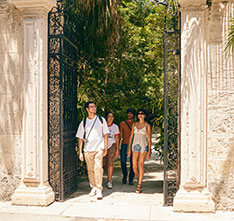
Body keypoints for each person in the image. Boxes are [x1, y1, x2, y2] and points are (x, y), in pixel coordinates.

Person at [76, 101, 109, 200]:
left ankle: (99, 189)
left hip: (99, 148)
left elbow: (106, 134)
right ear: (87, 109)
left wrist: (105, 148)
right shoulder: (84, 122)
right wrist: (80, 152)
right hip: (87, 149)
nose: (94, 108)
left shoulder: (101, 120)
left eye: (95, 106)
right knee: (90, 170)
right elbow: (80, 138)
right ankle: (93, 187)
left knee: (98, 168)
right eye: (91, 107)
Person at [128, 109, 151, 193]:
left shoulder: (147, 125)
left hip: (143, 146)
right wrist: (129, 148)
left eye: (142, 113)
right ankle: (139, 178)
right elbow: (131, 136)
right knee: (134, 166)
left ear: (144, 115)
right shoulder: (134, 124)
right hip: (135, 146)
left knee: (140, 164)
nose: (140, 115)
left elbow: (149, 139)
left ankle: (139, 184)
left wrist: (149, 151)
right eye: (139, 113)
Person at [103, 111, 120, 189]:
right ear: (106, 117)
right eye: (109, 116)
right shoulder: (102, 126)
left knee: (110, 163)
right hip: (103, 146)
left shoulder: (115, 127)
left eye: (112, 117)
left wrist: (117, 149)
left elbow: (117, 138)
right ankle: (101, 180)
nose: (111, 118)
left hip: (112, 146)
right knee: (102, 163)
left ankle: (109, 180)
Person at [119, 108, 136, 185]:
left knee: (133, 162)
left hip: (134, 145)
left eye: (131, 113)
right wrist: (118, 146)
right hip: (124, 144)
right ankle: (125, 175)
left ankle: (131, 178)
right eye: (128, 113)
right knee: (122, 161)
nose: (129, 115)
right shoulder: (123, 123)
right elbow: (120, 135)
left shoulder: (136, 124)